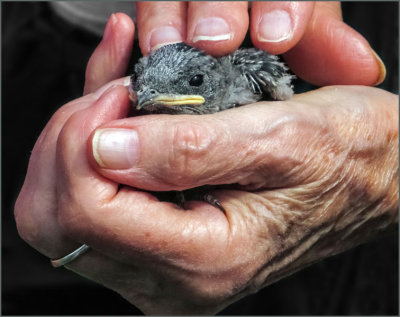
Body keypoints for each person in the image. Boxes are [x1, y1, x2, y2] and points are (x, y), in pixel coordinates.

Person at [6, 2, 398, 315]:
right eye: (146, 88)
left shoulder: (247, 72)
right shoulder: (133, 93)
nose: (151, 100)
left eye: (193, 84)